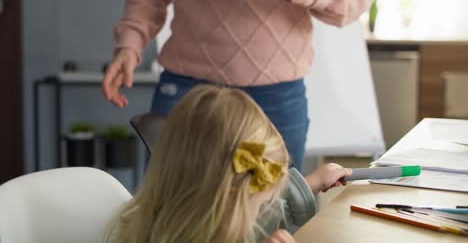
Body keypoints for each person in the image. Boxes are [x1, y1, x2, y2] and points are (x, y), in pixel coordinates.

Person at [102, 0, 374, 170]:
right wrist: (130, 44)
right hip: (187, 86)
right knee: (166, 204)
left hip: (275, 96)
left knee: (277, 209)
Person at [105, 85, 352, 243]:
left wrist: (312, 183)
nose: (260, 214)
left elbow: (267, 216)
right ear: (229, 198)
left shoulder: (177, 215)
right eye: (259, 204)